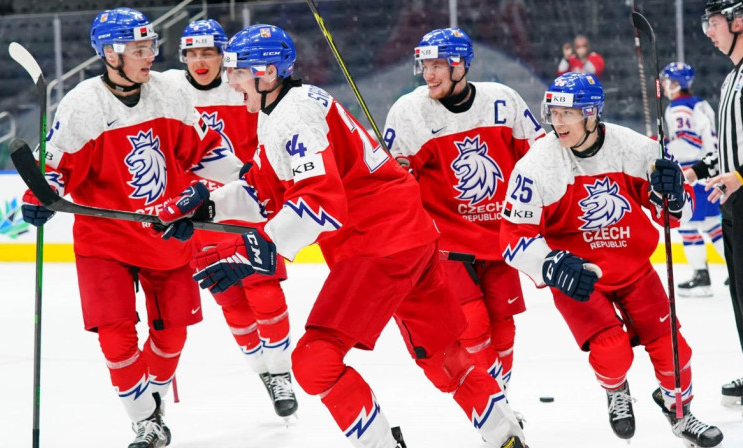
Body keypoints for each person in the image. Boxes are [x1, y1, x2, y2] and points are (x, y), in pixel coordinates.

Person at [157, 24, 527, 448]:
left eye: (239, 71)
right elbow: (264, 188)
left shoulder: (294, 115)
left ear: (267, 72)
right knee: (444, 356)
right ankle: (505, 434)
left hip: (377, 245)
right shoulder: (282, 109)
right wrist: (205, 204)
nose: (230, 79)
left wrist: (254, 248)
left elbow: (318, 204)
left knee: (315, 362)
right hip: (410, 238)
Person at [20, 8, 236, 448]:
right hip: (106, 238)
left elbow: (207, 150)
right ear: (110, 54)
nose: (149, 56)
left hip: (167, 232)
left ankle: (151, 399)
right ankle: (145, 422)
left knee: (172, 333)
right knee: (117, 338)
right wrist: (36, 198)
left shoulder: (169, 94)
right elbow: (54, 165)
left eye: (150, 47)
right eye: (138, 49)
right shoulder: (84, 103)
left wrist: (249, 177)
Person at [499, 72, 723, 447]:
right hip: (579, 275)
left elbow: (673, 217)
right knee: (611, 352)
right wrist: (551, 265)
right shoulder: (538, 164)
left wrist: (674, 196)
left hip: (634, 269)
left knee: (672, 347)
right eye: (553, 112)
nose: (557, 122)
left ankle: (679, 411)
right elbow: (513, 238)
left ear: (591, 114)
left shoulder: (636, 149)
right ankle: (616, 389)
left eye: (567, 113)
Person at [383, 27, 545, 391]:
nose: (429, 74)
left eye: (438, 64)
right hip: (446, 240)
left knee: (503, 323)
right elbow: (391, 177)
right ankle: (492, 403)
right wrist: (400, 173)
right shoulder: (409, 111)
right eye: (424, 64)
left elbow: (539, 158)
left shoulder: (503, 101)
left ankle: (499, 394)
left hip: (501, 236)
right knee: (471, 323)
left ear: (461, 65)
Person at [161, 19, 298, 418]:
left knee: (263, 286)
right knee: (229, 297)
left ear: (225, 56)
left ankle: (282, 372)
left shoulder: (244, 85)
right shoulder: (169, 90)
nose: (200, 61)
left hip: (245, 203)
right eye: (191, 53)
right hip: (198, 212)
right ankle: (264, 373)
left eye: (208, 52)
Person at [693, 0, 743, 406]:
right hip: (734, 204)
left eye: (713, 22)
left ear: (738, 21)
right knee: (740, 294)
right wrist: (697, 169)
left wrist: (740, 176)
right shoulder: (731, 80)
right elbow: (729, 149)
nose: (707, 31)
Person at [661, 61, 726, 297]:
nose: (665, 84)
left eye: (668, 80)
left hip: (694, 173)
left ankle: (701, 277)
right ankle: (734, 267)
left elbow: (689, 143)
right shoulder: (699, 103)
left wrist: (662, 146)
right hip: (710, 168)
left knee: (687, 225)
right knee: (711, 224)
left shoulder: (678, 107)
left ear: (677, 83)